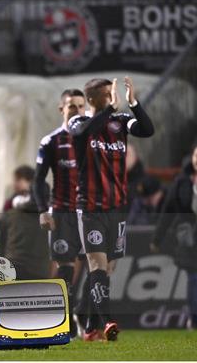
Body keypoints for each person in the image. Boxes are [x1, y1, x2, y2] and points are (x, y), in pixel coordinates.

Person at [68, 77, 154, 341]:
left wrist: (134, 103)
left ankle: (90, 323)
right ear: (94, 99)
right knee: (97, 265)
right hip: (90, 207)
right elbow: (84, 134)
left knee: (107, 270)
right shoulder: (78, 122)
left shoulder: (120, 122)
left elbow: (147, 130)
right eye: (107, 93)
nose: (112, 96)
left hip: (117, 207)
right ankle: (108, 322)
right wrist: (108, 110)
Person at [33, 88, 85, 338]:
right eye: (71, 106)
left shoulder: (92, 138)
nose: (77, 110)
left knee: (95, 268)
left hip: (90, 212)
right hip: (63, 211)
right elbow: (38, 180)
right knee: (65, 266)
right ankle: (67, 320)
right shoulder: (51, 141)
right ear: (61, 109)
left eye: (80, 106)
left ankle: (83, 316)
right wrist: (43, 211)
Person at [150, 140, 197, 329]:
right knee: (196, 277)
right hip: (189, 241)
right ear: (191, 158)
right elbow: (167, 211)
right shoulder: (182, 182)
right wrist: (157, 238)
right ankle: (196, 319)